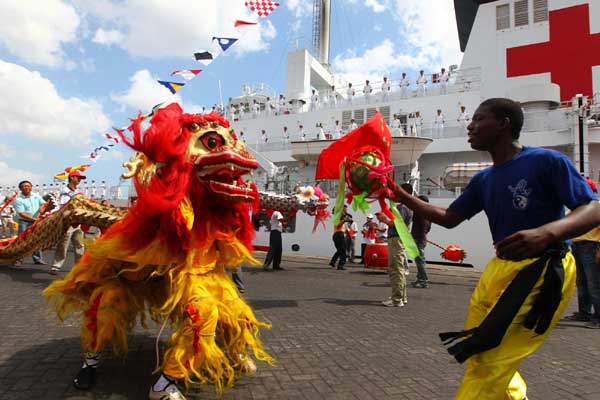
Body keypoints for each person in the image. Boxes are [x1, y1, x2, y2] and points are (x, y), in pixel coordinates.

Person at [391, 98, 600, 399]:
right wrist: (400, 194)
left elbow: (592, 208)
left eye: (479, 119)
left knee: (489, 359)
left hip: (540, 270)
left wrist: (546, 233)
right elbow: (449, 219)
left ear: (503, 123)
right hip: (498, 270)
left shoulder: (546, 161)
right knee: (481, 351)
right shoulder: (483, 179)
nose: (470, 125)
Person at [564, 180, 600, 328]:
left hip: (591, 247)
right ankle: (584, 312)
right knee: (582, 282)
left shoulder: (595, 208)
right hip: (577, 247)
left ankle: (599, 316)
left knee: (594, 283)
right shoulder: (577, 209)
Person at [50, 171, 87, 275]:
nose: (79, 180)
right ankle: (56, 266)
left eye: (80, 178)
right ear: (71, 177)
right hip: (68, 222)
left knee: (80, 245)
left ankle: (79, 266)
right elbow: (63, 206)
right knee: (63, 244)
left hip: (78, 221)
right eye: (78, 178)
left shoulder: (78, 192)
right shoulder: (64, 191)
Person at [12, 180, 48, 266]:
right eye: (24, 186)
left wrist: (42, 207)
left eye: (28, 186)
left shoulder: (36, 196)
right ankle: (18, 259)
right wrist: (33, 219)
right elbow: (21, 213)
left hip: (36, 221)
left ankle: (37, 259)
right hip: (24, 222)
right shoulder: (18, 200)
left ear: (31, 187)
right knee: (22, 241)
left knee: (36, 240)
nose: (27, 187)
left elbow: (44, 203)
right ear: (21, 188)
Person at [411, 195, 432, 288]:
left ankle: (424, 281)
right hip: (421, 238)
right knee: (419, 260)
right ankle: (419, 279)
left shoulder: (420, 212)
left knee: (420, 261)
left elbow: (423, 227)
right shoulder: (428, 213)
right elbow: (428, 228)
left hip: (418, 239)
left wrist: (421, 237)